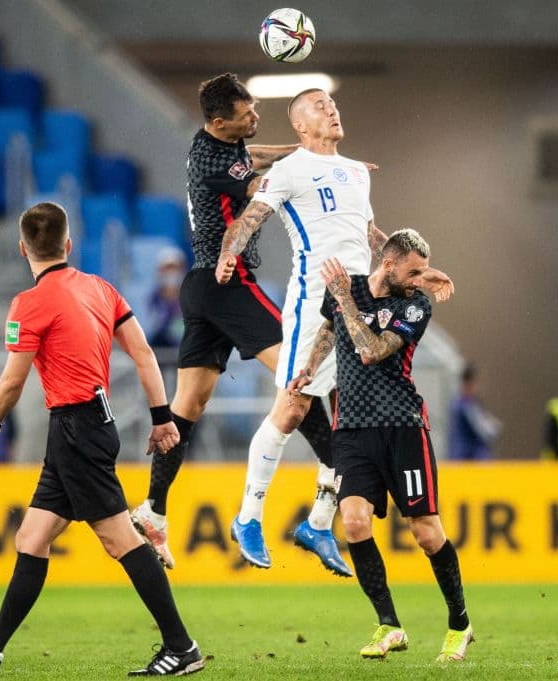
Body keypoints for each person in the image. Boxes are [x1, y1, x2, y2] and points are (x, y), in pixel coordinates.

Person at [0, 202, 204, 678]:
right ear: (68, 245)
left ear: (22, 248)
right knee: (31, 537)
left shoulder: (28, 304)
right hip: (87, 426)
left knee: (119, 540)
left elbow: (13, 381)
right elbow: (143, 353)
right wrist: (162, 418)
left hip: (77, 427)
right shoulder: (100, 288)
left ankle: (182, 646)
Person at [213, 88, 454, 571]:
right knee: (293, 407)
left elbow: (368, 235)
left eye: (333, 104)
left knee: (352, 420)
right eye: (320, 106)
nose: (332, 109)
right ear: (300, 126)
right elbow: (250, 217)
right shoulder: (290, 169)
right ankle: (247, 517)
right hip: (312, 300)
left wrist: (415, 270)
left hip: (359, 300)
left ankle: (319, 524)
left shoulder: (354, 171)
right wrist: (226, 253)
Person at [130, 73, 342, 572]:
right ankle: (338, 461)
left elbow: (254, 154)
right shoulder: (213, 161)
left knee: (189, 405)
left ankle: (153, 508)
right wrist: (311, 161)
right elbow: (258, 183)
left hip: (200, 289)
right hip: (228, 284)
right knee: (298, 372)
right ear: (221, 121)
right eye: (247, 114)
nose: (255, 117)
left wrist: (295, 146)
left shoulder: (215, 141)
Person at [288, 229, 473, 664]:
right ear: (388, 264)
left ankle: (460, 624)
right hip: (351, 428)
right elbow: (330, 329)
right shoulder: (347, 288)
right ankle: (389, 624)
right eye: (413, 271)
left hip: (402, 427)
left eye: (423, 273)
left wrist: (346, 300)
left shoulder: (414, 304)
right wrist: (309, 369)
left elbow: (371, 351)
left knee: (426, 534)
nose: (418, 279)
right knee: (353, 524)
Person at [447, 364, 501, 461]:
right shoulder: (466, 405)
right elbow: (486, 431)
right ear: (469, 383)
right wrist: (493, 425)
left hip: (461, 458)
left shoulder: (458, 402)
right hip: (467, 460)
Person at [145, 247, 187, 349]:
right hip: (160, 350)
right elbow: (152, 327)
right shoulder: (153, 298)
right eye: (167, 269)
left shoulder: (191, 296)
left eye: (174, 269)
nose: (171, 273)